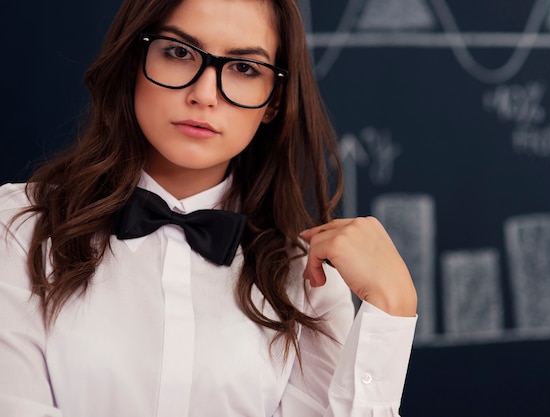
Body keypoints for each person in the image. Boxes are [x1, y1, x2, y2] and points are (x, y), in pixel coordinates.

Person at [0, 0, 418, 416]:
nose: (204, 95)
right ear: (133, 61)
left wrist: (393, 308)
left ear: (273, 100)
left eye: (244, 68)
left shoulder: (308, 280)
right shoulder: (17, 230)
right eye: (179, 53)